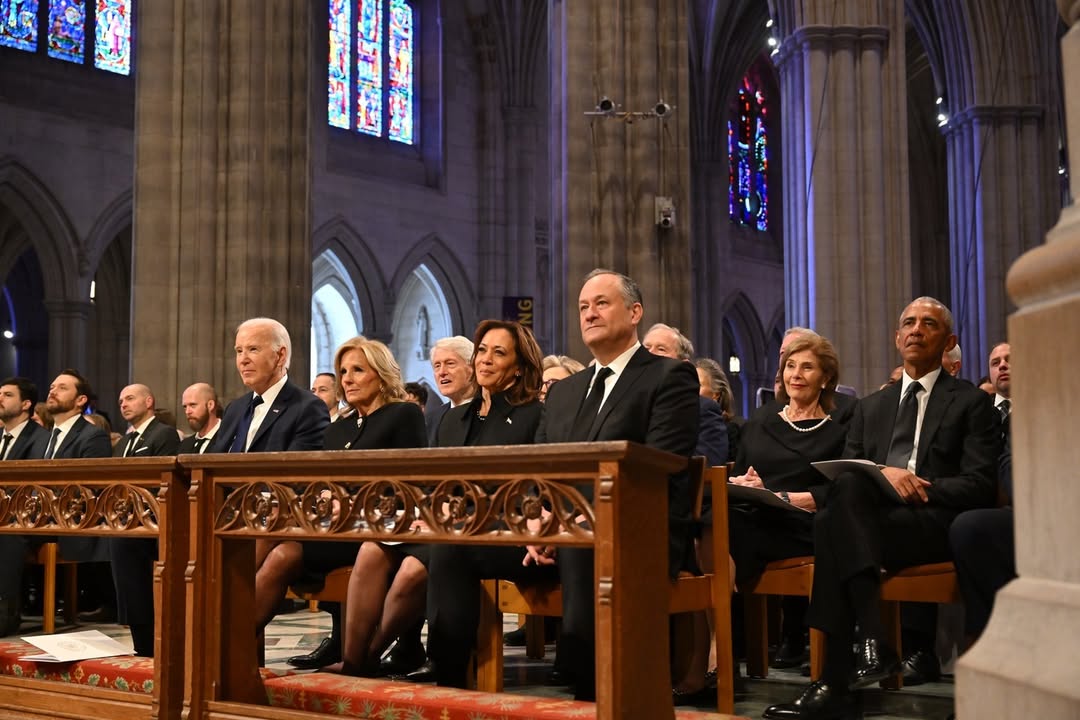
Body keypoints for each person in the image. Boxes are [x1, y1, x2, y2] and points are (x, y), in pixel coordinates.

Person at [426, 269, 699, 701]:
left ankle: (592, 689)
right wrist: (537, 520)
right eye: (583, 307)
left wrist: (566, 517)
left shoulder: (668, 377)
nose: (589, 313)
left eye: (601, 303)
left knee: (582, 543)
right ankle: (448, 685)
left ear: (635, 312)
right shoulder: (566, 391)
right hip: (554, 533)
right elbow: (539, 469)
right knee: (454, 542)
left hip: (633, 529)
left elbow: (657, 468)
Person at [764, 297, 1001, 720]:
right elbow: (846, 475)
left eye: (928, 323)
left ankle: (834, 680)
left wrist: (915, 486)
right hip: (873, 525)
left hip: (932, 522)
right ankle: (870, 647)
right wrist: (884, 474)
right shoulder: (871, 407)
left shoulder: (970, 403)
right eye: (908, 322)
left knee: (834, 526)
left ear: (948, 341)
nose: (915, 329)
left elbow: (981, 484)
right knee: (844, 501)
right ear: (896, 337)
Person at [256, 337, 426, 670]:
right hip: (333, 529)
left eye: (358, 370)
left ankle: (354, 661)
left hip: (380, 529)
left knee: (278, 539)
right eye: (343, 371)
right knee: (280, 549)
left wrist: (351, 505)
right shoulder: (340, 427)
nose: (346, 379)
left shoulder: (403, 414)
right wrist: (321, 498)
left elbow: (412, 484)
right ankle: (226, 639)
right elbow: (323, 482)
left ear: (380, 374)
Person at [729, 334, 851, 674]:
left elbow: (840, 488)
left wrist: (785, 497)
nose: (795, 374)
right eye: (790, 366)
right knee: (715, 523)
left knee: (728, 532)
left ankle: (721, 651)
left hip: (804, 526)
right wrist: (747, 484)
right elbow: (738, 475)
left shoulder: (839, 430)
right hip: (756, 518)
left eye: (807, 367)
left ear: (825, 378)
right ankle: (720, 646)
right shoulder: (760, 422)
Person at [209, 317, 329, 597]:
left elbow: (299, 478)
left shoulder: (307, 407)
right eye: (239, 351)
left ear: (280, 355)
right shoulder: (237, 408)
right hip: (227, 514)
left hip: (277, 516)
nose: (243, 360)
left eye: (252, 350)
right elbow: (214, 462)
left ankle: (218, 623)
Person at [109, 383, 181, 657]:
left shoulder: (163, 434)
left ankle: (148, 639)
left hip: (156, 519)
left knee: (126, 545)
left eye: (129, 398)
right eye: (120, 400)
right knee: (119, 542)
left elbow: (162, 479)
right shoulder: (125, 442)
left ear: (148, 401)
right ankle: (139, 635)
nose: (123, 404)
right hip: (128, 519)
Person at [0, 376, 53, 634]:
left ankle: (6, 613)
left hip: (28, 517)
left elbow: (33, 485)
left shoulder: (40, 438)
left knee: (7, 534)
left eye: (8, 395)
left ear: (25, 404)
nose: (0, 398)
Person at [643, 323, 728, 467]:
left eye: (661, 349)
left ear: (682, 365)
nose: (650, 354)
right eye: (646, 348)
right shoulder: (627, 404)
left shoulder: (703, 408)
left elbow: (706, 463)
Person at [424, 336, 476, 446]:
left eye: (450, 363)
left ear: (472, 368)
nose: (442, 372)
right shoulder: (431, 418)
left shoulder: (489, 411)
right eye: (437, 366)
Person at [178, 382, 222, 453]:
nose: (187, 411)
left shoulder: (228, 438)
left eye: (193, 405)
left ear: (210, 405)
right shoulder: (185, 445)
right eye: (185, 407)